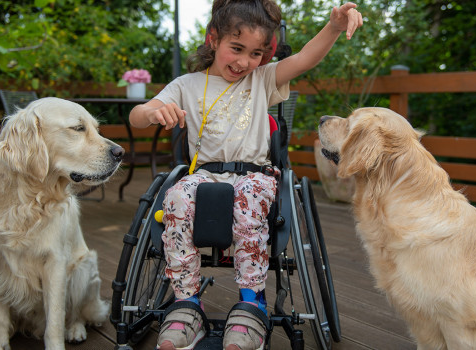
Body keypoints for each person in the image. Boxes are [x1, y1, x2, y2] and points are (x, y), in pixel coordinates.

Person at [129, 1, 362, 349]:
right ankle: (186, 303)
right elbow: (137, 115)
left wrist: (332, 27)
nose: (244, 62)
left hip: (254, 176)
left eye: (255, 53)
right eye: (236, 49)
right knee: (176, 195)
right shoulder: (186, 85)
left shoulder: (262, 80)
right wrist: (153, 111)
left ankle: (251, 302)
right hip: (205, 175)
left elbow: (304, 59)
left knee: (249, 196)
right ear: (213, 39)